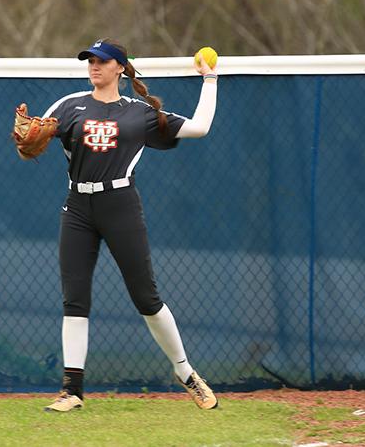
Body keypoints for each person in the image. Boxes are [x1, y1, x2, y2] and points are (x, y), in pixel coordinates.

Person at [16, 38, 220, 413]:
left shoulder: (139, 113)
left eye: (101, 61)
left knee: (146, 298)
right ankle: (72, 391)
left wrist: (210, 80)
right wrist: (27, 142)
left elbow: (200, 128)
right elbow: (32, 137)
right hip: (77, 207)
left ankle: (186, 372)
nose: (93, 66)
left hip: (120, 206)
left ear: (120, 69)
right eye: (90, 60)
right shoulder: (69, 105)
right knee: (74, 299)